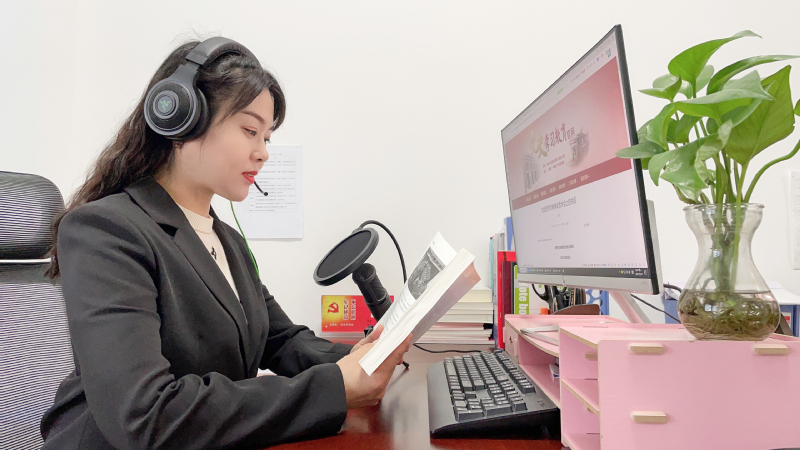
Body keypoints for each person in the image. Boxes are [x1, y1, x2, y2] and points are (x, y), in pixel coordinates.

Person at [40, 37, 411, 450]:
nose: (263, 153)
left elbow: (280, 339)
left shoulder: (227, 240)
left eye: (267, 137)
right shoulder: (106, 230)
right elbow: (144, 416)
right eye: (251, 131)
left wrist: (362, 358)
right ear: (182, 120)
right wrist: (334, 387)